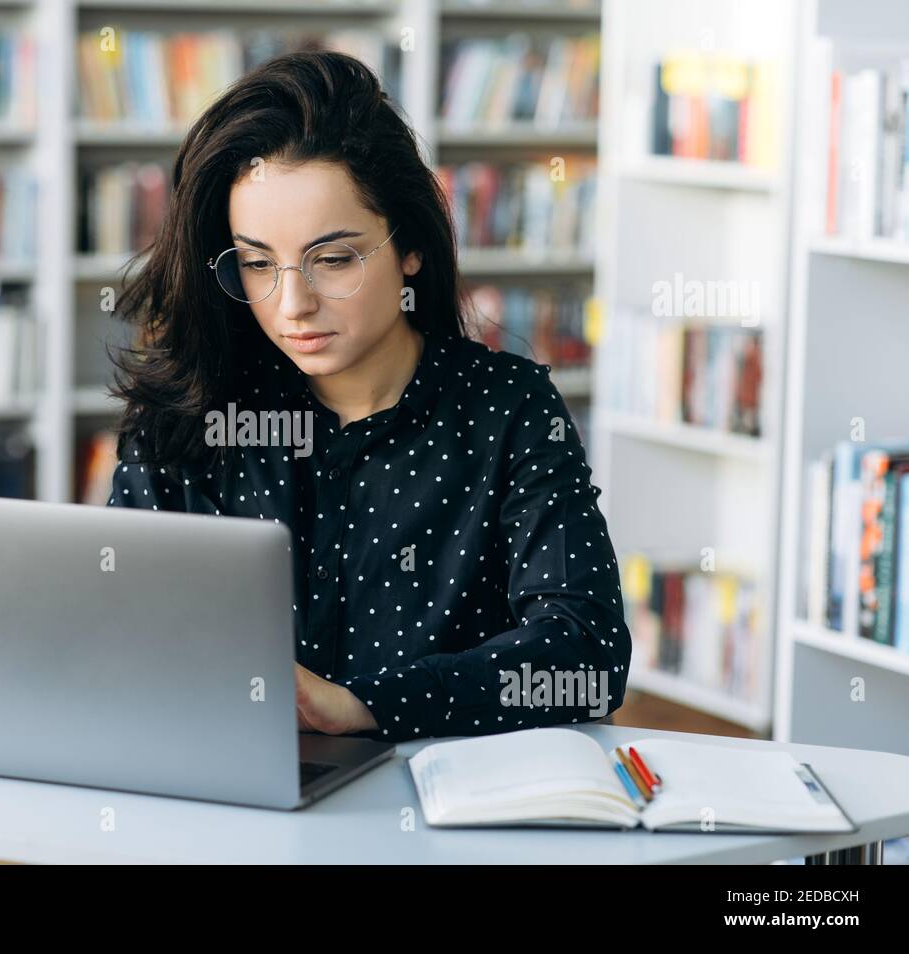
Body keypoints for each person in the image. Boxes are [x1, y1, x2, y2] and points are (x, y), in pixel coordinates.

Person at [106, 50, 630, 742]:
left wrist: (366, 706)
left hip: (444, 814)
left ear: (409, 246)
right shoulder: (186, 414)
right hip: (224, 796)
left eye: (332, 258)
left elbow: (586, 653)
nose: (292, 303)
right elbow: (115, 634)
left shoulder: (510, 408)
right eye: (257, 262)